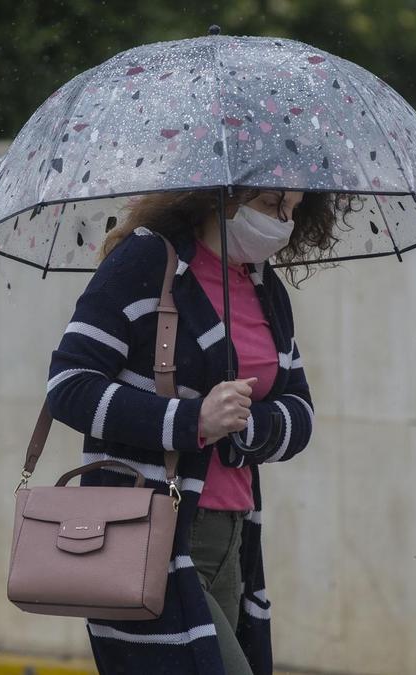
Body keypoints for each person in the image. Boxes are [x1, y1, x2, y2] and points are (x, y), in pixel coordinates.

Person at [45, 188, 350, 674]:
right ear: (226, 195)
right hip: (147, 532)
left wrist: (252, 423)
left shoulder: (265, 290)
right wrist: (192, 421)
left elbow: (301, 410)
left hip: (233, 535)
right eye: (273, 205)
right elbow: (69, 386)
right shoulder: (147, 262)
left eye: (294, 210)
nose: (284, 223)